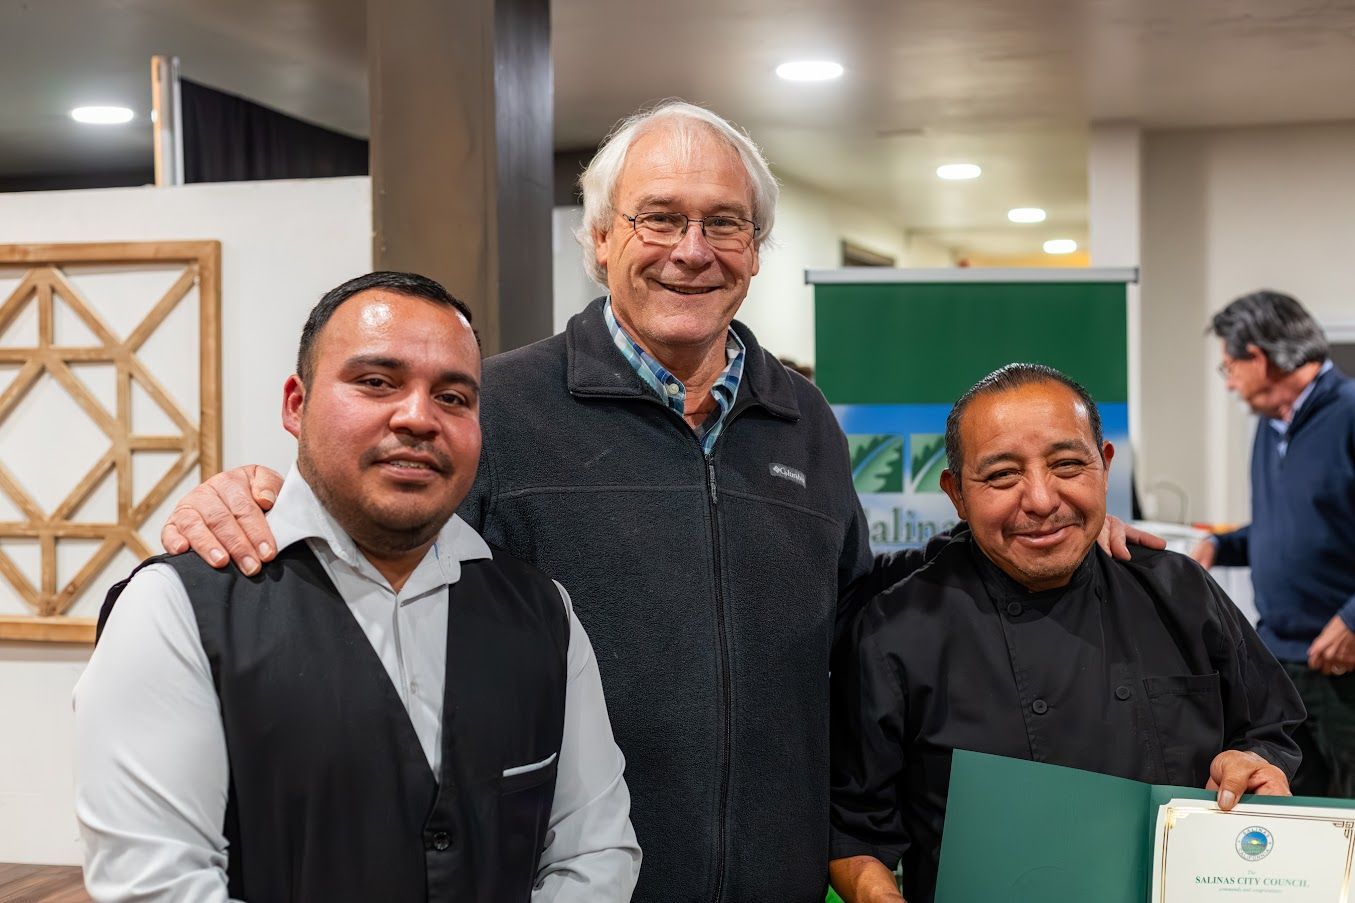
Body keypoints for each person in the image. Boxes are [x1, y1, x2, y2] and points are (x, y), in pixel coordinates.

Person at [153, 103, 1160, 902]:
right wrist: (251, 497)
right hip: (561, 881)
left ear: (755, 251)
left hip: (778, 882)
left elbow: (859, 624)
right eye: (659, 218)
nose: (692, 248)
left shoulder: (801, 418)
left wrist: (1044, 524)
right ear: (599, 240)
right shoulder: (495, 406)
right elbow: (375, 565)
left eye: (724, 223)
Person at [74, 272, 640, 903]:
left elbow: (595, 850)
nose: (419, 417)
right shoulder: (175, 610)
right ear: (296, 404)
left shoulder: (544, 615)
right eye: (376, 382)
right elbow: (154, 884)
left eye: (454, 397)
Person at [829, 364, 1303, 903]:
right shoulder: (897, 629)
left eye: (1067, 465)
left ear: (1103, 466)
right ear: (957, 494)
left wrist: (1256, 763)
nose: (1041, 500)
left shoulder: (1179, 591)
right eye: (1003, 475)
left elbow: (1272, 728)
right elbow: (856, 831)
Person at [1191, 289, 1355, 797]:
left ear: (1258, 357)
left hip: (1343, 663)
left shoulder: (1349, 413)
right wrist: (1222, 545)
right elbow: (1293, 527)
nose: (1231, 383)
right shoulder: (1269, 428)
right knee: (1293, 818)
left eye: (1229, 368)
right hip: (1281, 663)